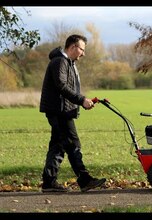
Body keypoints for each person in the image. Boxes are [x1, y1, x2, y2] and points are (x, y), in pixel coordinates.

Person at [39, 34, 106, 192]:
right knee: (73, 144)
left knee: (58, 146)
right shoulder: (60, 61)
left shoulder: (68, 63)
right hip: (59, 111)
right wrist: (81, 100)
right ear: (73, 47)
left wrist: (81, 101)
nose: (83, 53)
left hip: (63, 110)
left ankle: (49, 183)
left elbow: (68, 88)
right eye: (82, 49)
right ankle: (84, 180)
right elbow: (61, 86)